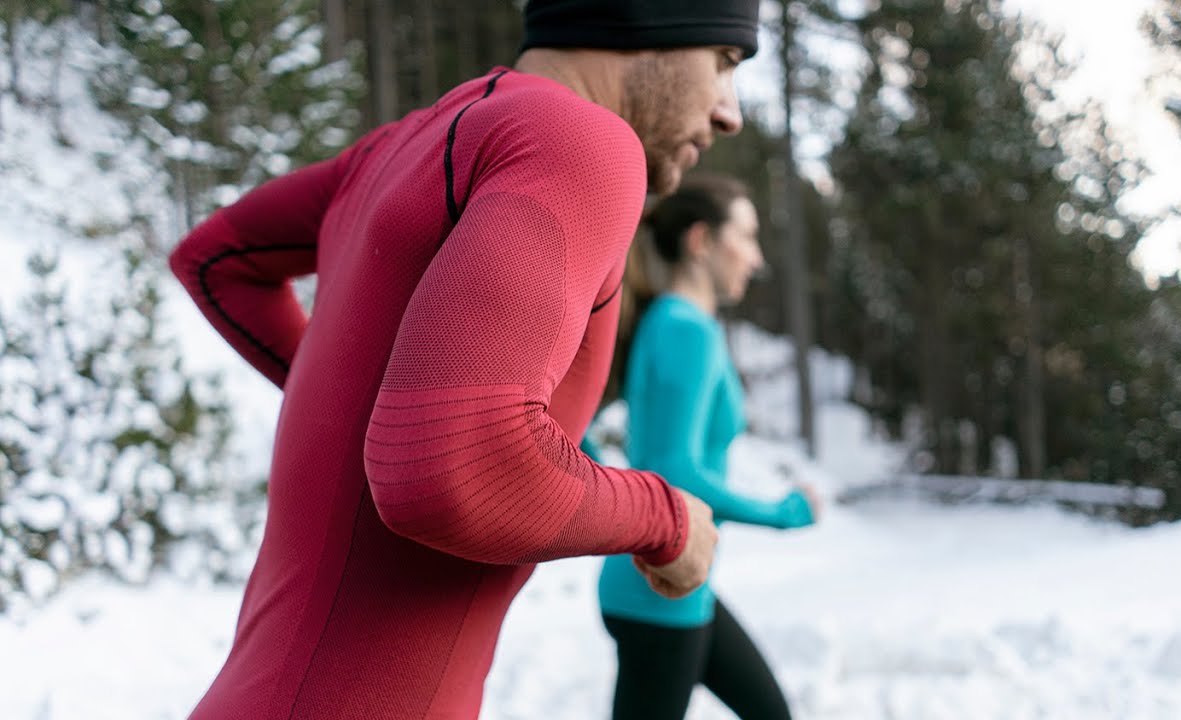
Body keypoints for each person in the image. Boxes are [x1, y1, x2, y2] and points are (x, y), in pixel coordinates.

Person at [167, 2, 761, 718]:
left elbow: (216, 261)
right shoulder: (579, 140)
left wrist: (364, 399)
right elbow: (459, 466)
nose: (729, 112)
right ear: (646, 22)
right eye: (725, 62)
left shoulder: (403, 145)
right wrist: (664, 517)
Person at [593, 176, 820, 720]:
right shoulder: (685, 330)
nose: (756, 258)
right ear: (701, 241)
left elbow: (603, 435)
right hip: (657, 594)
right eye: (746, 236)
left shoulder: (668, 321)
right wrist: (785, 512)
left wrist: (606, 475)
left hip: (674, 585)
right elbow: (677, 471)